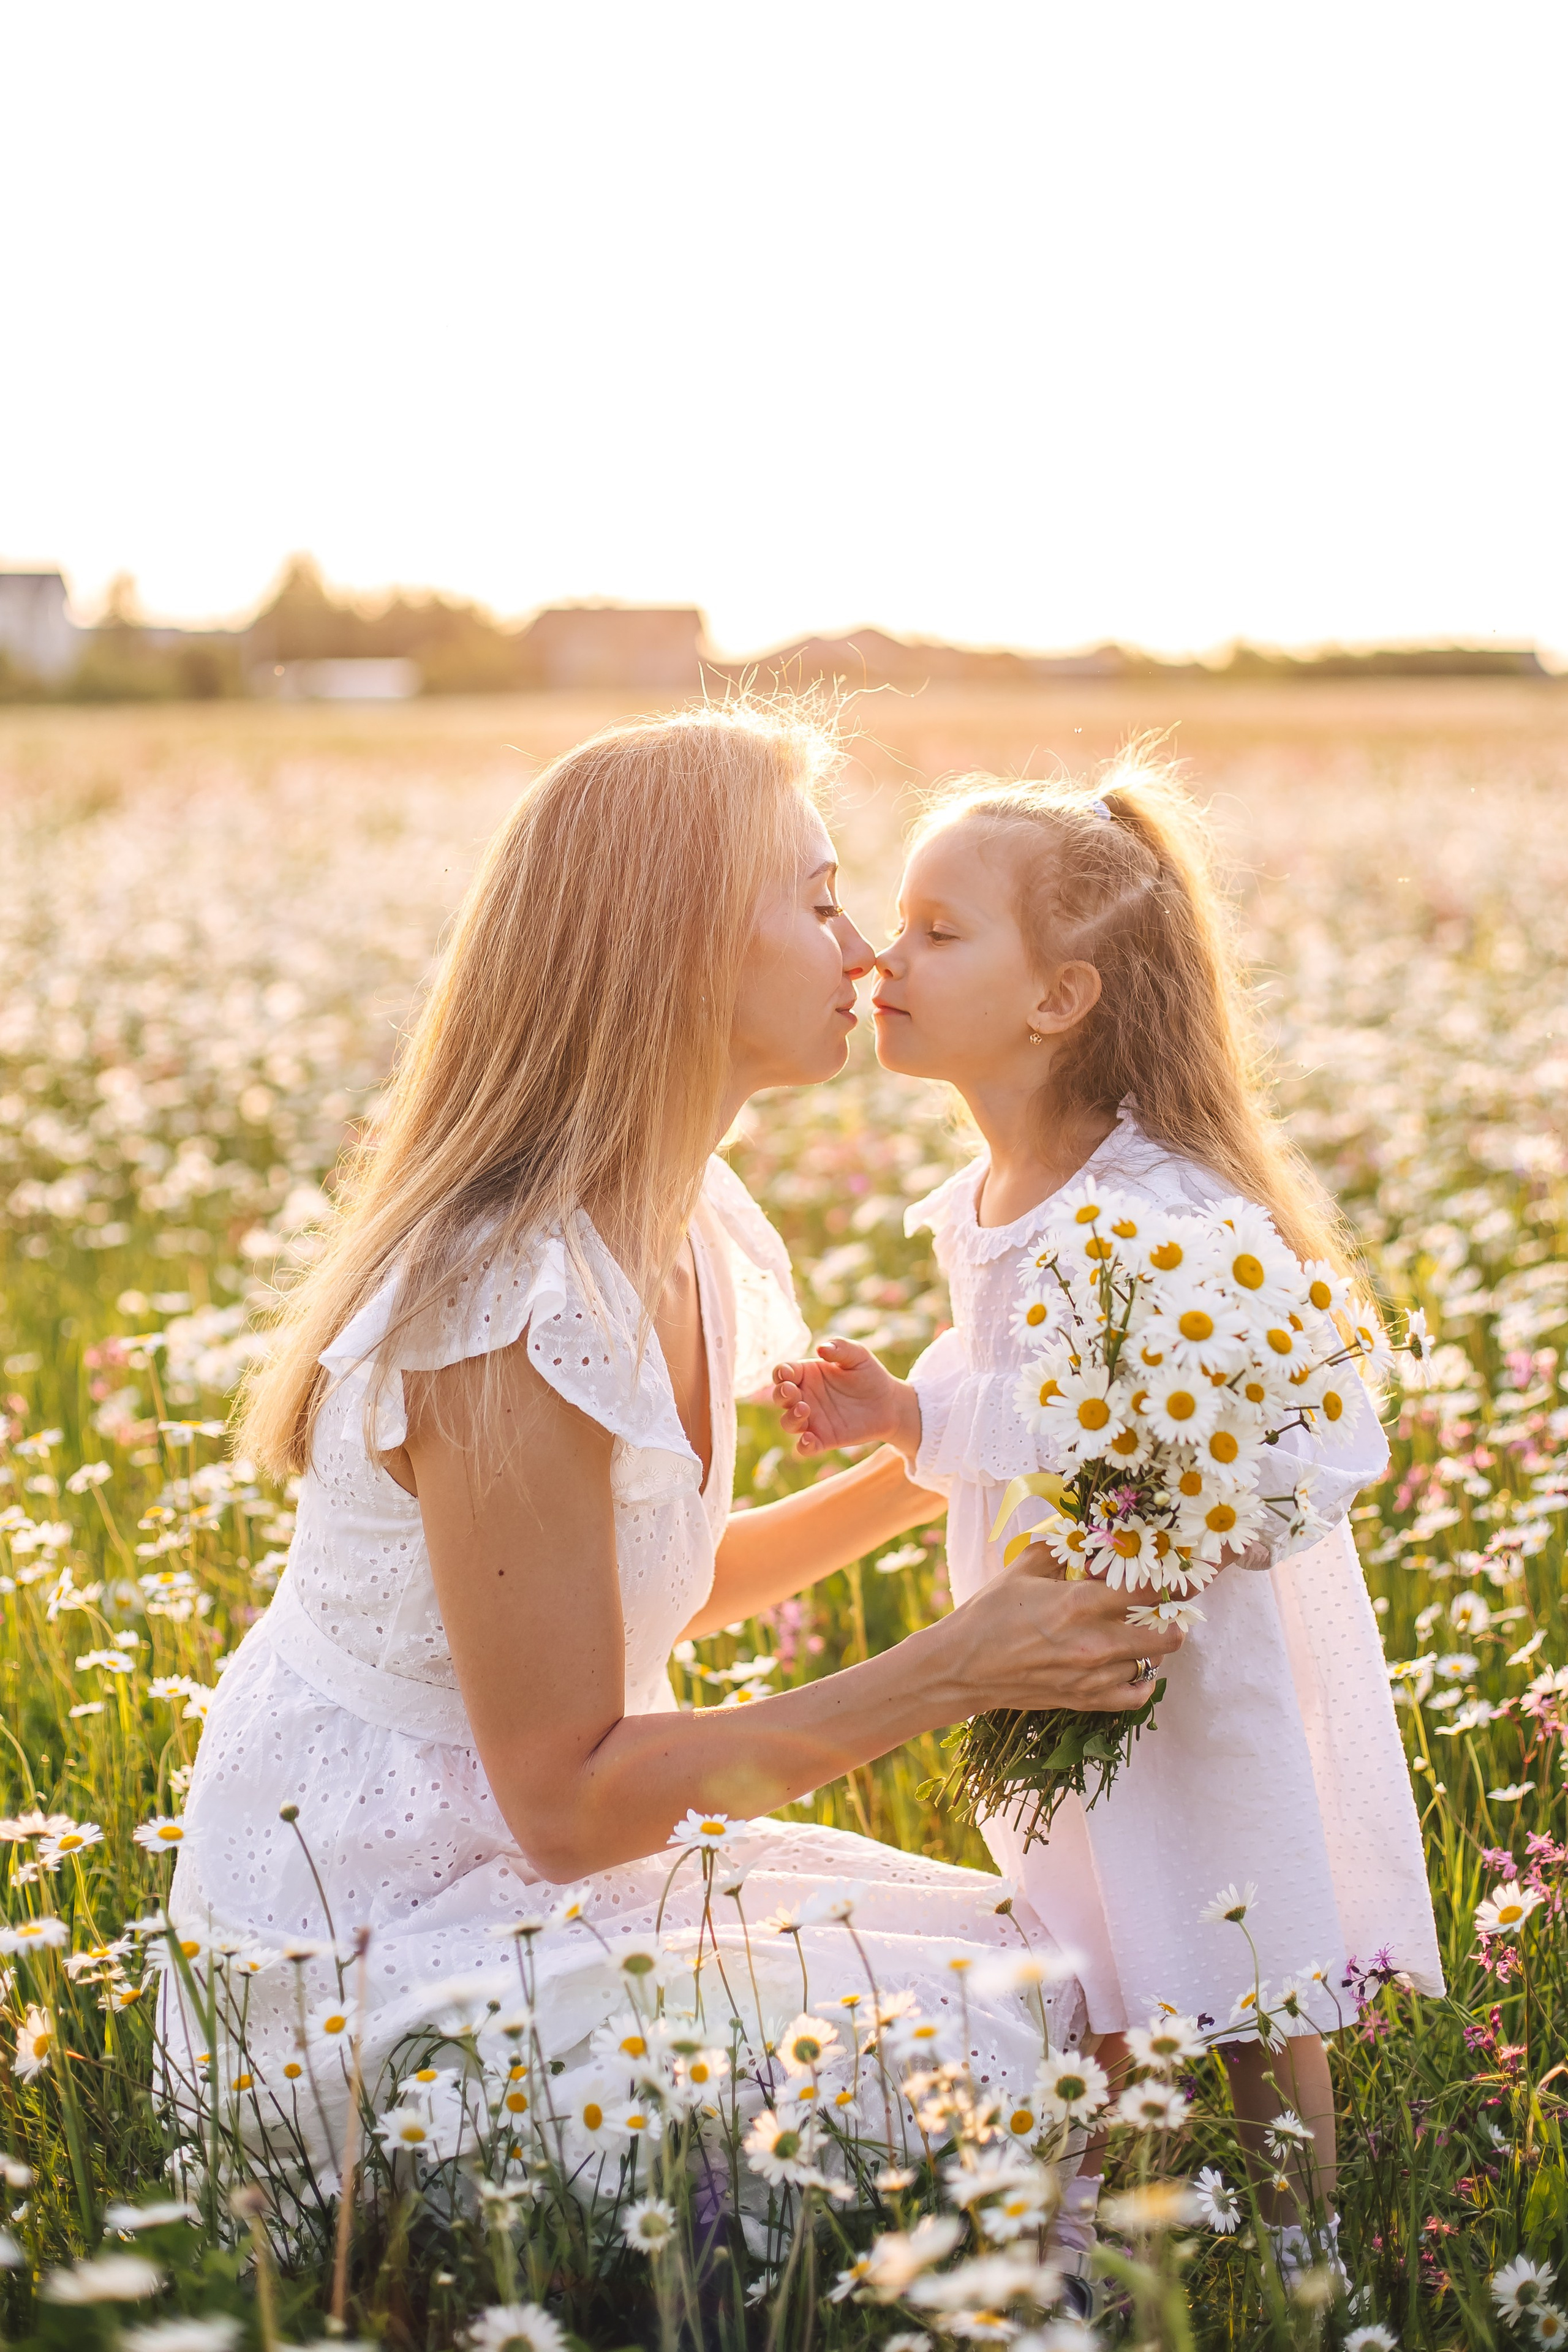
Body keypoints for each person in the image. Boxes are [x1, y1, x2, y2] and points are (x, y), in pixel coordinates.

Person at [167, 706, 1182, 2173]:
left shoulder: (686, 1225)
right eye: (821, 899)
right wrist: (953, 1669)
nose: (864, 954)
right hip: (372, 1942)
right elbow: (571, 1800)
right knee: (1015, 2053)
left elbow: (639, 1591)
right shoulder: (504, 1305)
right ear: (677, 944)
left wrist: (932, 1465)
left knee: (1084, 1997)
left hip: (550, 1872)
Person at [772, 759, 1442, 2282]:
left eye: (937, 932)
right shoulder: (1005, 1183)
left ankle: (1298, 2253)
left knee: (1235, 1920)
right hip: (1069, 1610)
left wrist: (935, 1422)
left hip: (1183, 1639)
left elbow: (1145, 1422)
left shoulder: (1151, 1211)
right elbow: (1025, 1382)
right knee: (1102, 1918)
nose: (881, 956)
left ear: (1057, 999)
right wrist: (906, 1408)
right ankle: (1115, 2215)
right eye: (891, 919)